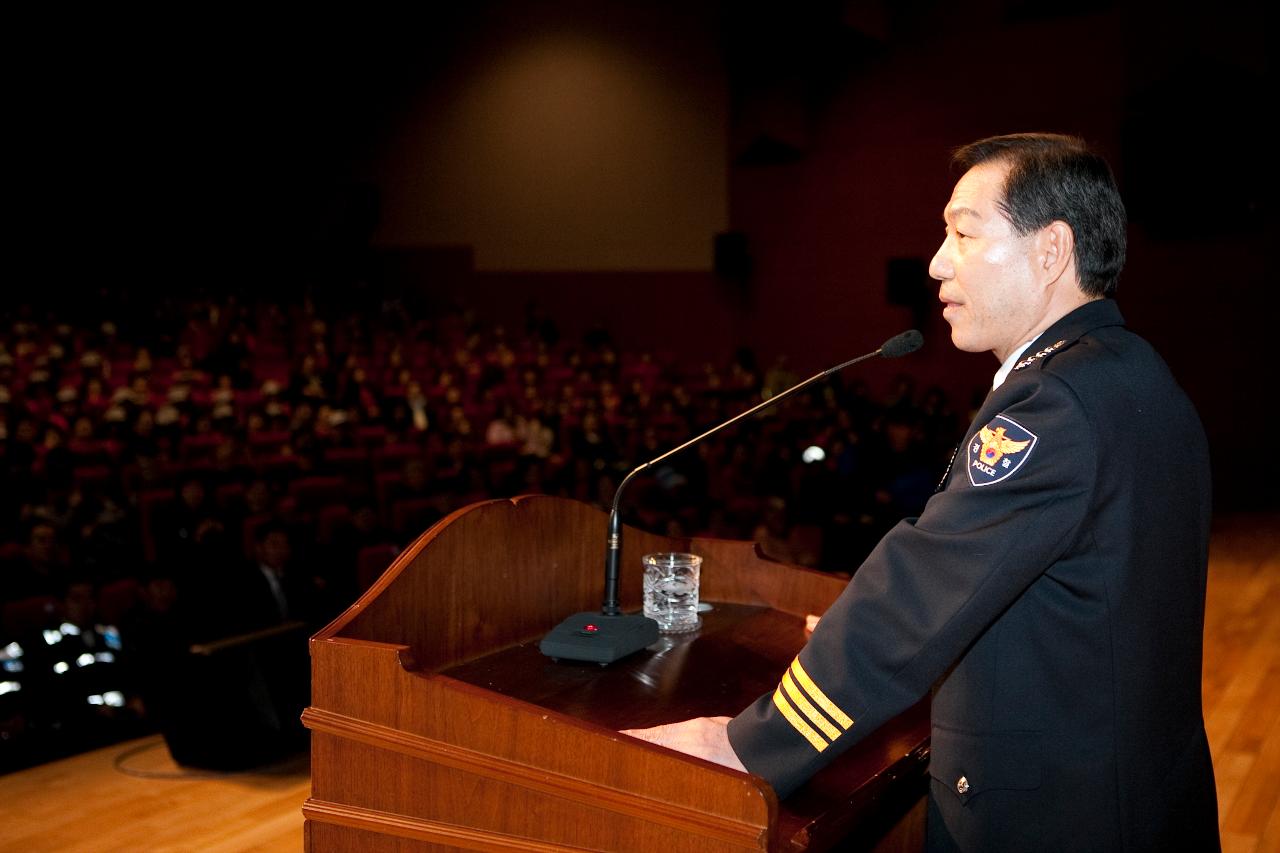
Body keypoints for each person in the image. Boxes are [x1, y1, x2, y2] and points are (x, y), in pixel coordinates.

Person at [623, 134, 1219, 851]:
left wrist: (747, 745)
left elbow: (917, 589)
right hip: (1130, 793)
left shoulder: (1054, 406)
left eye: (963, 233)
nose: (937, 262)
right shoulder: (1131, 372)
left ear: (1051, 250)